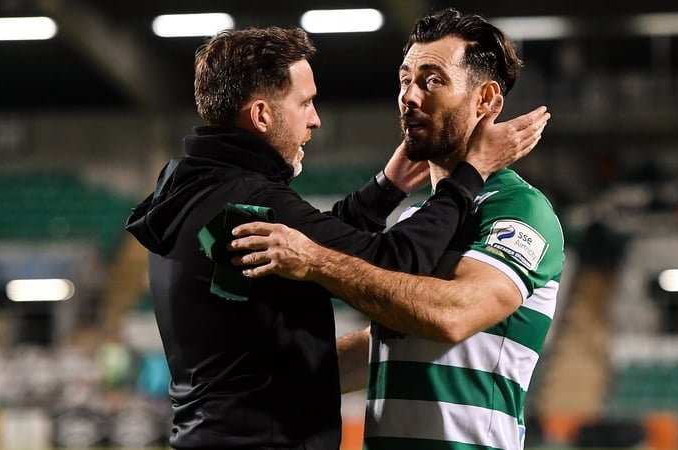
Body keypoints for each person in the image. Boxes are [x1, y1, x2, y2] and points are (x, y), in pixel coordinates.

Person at [125, 24, 549, 450]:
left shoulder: (195, 191)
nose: (410, 96)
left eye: (433, 80)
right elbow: (383, 262)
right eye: (405, 80)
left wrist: (387, 189)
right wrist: (467, 176)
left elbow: (445, 316)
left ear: (486, 99)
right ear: (260, 116)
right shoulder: (249, 199)